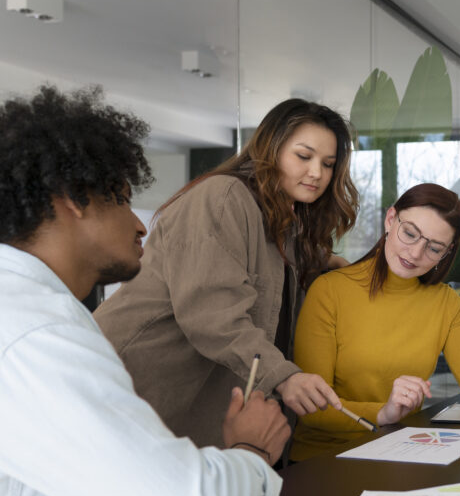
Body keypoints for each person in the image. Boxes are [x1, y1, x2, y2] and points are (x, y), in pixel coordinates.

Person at [0, 85, 290, 496]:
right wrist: (250, 454)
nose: (140, 225)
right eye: (122, 198)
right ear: (74, 198)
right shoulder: (34, 334)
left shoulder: (37, 315)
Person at [95, 98, 360, 449]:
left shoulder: (286, 221)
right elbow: (212, 314)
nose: (317, 173)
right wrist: (283, 377)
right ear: (271, 148)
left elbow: (268, 277)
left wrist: (331, 267)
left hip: (189, 409)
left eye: (328, 164)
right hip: (130, 382)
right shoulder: (224, 197)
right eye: (303, 156)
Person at [291, 183, 460, 460]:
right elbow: (312, 406)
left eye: (434, 248)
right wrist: (384, 413)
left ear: (446, 252)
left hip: (401, 452)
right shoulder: (330, 291)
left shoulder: (446, 303)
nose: (415, 254)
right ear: (391, 220)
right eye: (410, 234)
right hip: (326, 459)